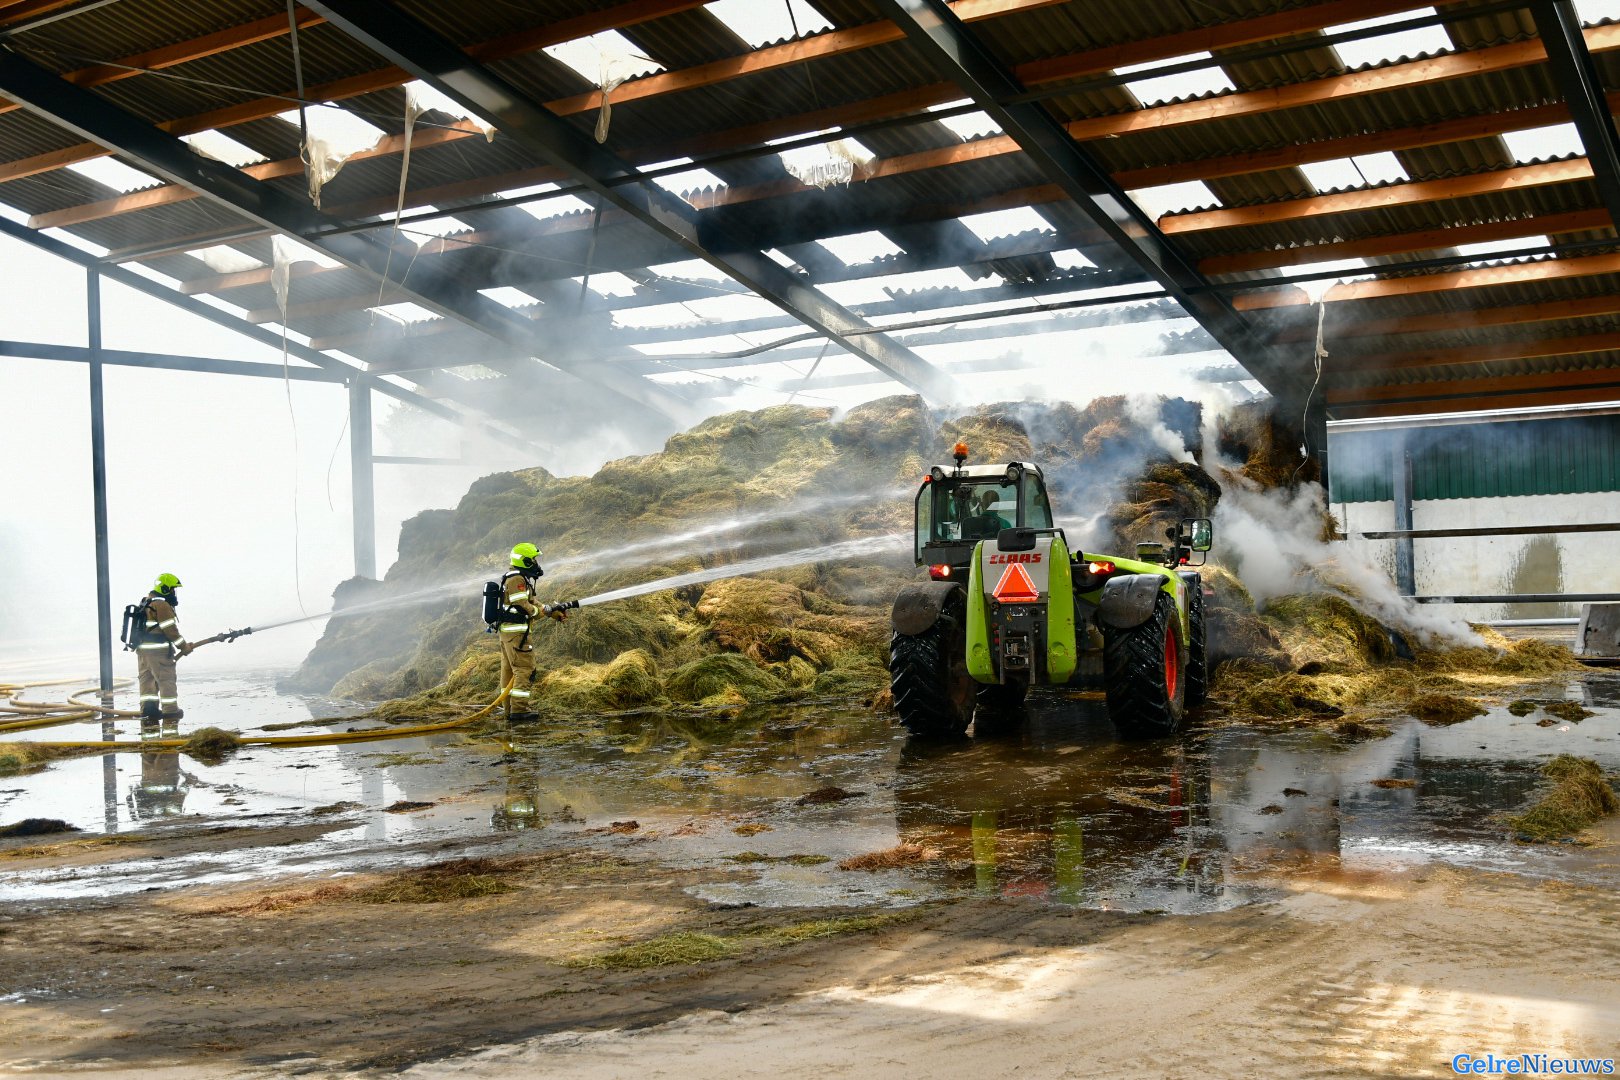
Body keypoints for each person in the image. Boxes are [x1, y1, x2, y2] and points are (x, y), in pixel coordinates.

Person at [498, 543, 566, 721]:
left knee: (509, 671)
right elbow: (525, 606)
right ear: (525, 561)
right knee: (524, 669)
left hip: (510, 634)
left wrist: (550, 612)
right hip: (517, 635)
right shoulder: (517, 580)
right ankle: (519, 710)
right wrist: (540, 613)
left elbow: (533, 602)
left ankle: (509, 709)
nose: (536, 563)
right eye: (533, 559)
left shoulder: (517, 577)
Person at [130, 573, 191, 721]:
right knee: (166, 680)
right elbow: (170, 630)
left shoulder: (145, 603)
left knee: (147, 681)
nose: (174, 593)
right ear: (165, 588)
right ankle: (170, 710)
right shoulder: (161, 605)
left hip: (143, 652)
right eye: (172, 589)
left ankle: (148, 710)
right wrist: (184, 647)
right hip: (158, 652)